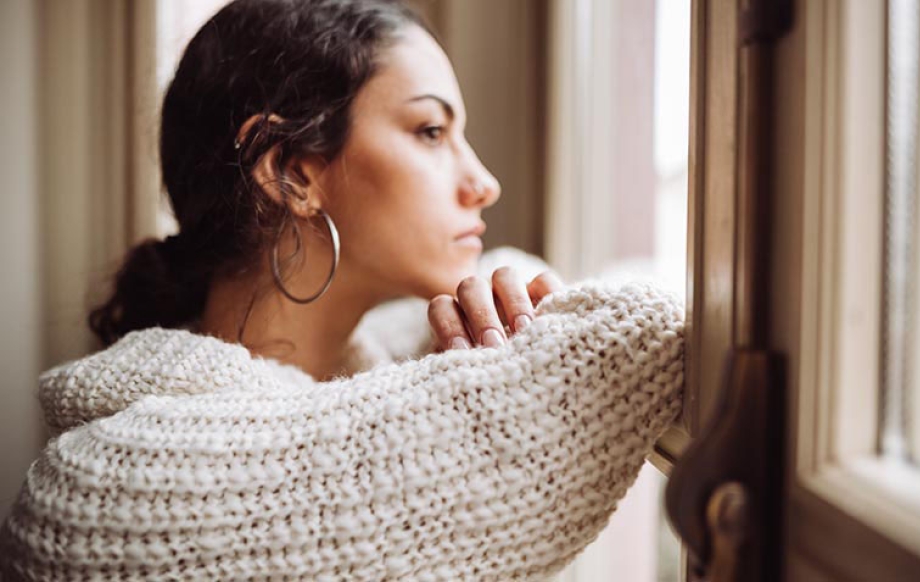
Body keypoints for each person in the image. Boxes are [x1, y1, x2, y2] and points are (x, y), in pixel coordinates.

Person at [0, 0, 686, 579]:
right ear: (292, 173)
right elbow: (636, 329)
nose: (483, 182)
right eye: (430, 131)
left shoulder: (376, 374)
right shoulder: (109, 489)